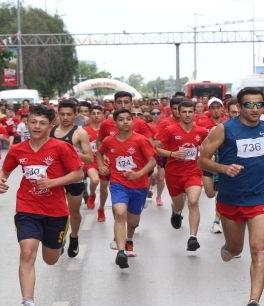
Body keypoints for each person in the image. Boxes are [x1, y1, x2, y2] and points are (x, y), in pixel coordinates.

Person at [199, 87, 264, 306]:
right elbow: (202, 159)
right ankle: (229, 249)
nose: (254, 109)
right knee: (236, 249)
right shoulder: (224, 129)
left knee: (259, 249)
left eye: (258, 105)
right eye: (249, 105)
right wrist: (224, 169)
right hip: (231, 199)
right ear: (239, 107)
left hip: (260, 196)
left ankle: (253, 302)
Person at [0, 104, 84, 306]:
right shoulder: (18, 149)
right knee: (27, 251)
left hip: (55, 211)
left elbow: (78, 173)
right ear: (27, 123)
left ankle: (58, 245)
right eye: (33, 122)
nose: (37, 126)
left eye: (42, 123)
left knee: (51, 259)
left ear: (50, 125)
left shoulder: (61, 148)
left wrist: (54, 182)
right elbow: (5, 171)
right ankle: (28, 304)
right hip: (27, 207)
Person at [97, 109, 156, 267]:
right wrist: (101, 165)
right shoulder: (109, 141)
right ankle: (121, 252)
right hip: (118, 184)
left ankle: (129, 239)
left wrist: (138, 174)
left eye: (128, 119)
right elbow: (99, 152)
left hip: (139, 186)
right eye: (121, 119)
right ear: (115, 123)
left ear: (133, 121)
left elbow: (152, 162)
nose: (125, 122)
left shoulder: (141, 140)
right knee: (120, 212)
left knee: (133, 221)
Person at [156, 100, 209, 251]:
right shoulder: (170, 130)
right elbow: (156, 148)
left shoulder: (201, 131)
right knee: (179, 204)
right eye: (184, 112)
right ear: (179, 113)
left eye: (190, 111)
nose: (187, 115)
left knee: (193, 201)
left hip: (193, 172)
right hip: (173, 174)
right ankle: (176, 211)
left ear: (195, 113)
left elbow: (211, 144)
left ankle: (193, 238)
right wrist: (172, 153)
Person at [51, 100, 94, 258]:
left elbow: (89, 158)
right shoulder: (51, 131)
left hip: (74, 177)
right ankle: (60, 238)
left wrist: (71, 152)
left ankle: (74, 237)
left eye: (69, 114)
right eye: (62, 114)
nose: (65, 117)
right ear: (58, 114)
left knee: (73, 212)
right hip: (55, 178)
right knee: (57, 212)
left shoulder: (80, 133)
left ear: (75, 115)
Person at [200, 97, 227, 233]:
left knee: (221, 193)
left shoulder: (227, 124)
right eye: (213, 107)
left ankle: (217, 221)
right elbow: (198, 143)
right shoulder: (202, 123)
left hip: (222, 163)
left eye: (218, 107)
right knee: (210, 193)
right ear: (209, 109)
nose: (216, 110)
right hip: (208, 162)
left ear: (222, 109)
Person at [84, 105, 109, 221]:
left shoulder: (108, 130)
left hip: (104, 162)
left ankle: (101, 209)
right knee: (94, 180)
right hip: (91, 161)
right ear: (90, 115)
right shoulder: (84, 130)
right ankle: (92, 194)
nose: (96, 115)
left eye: (98, 113)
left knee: (104, 189)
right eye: (93, 113)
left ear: (102, 114)